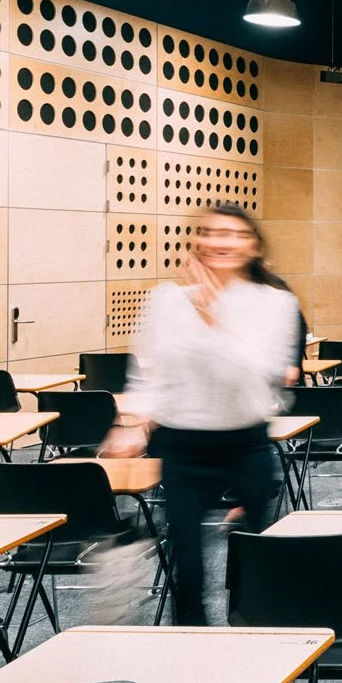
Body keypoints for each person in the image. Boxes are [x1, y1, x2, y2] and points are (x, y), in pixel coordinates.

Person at [100, 204, 300, 625]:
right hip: (183, 443)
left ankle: (256, 639)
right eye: (209, 232)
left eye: (232, 234)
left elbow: (259, 375)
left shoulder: (276, 303)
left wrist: (212, 317)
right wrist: (130, 426)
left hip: (245, 441)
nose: (218, 242)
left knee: (253, 556)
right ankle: (192, 645)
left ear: (253, 246)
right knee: (186, 564)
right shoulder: (166, 299)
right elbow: (148, 373)